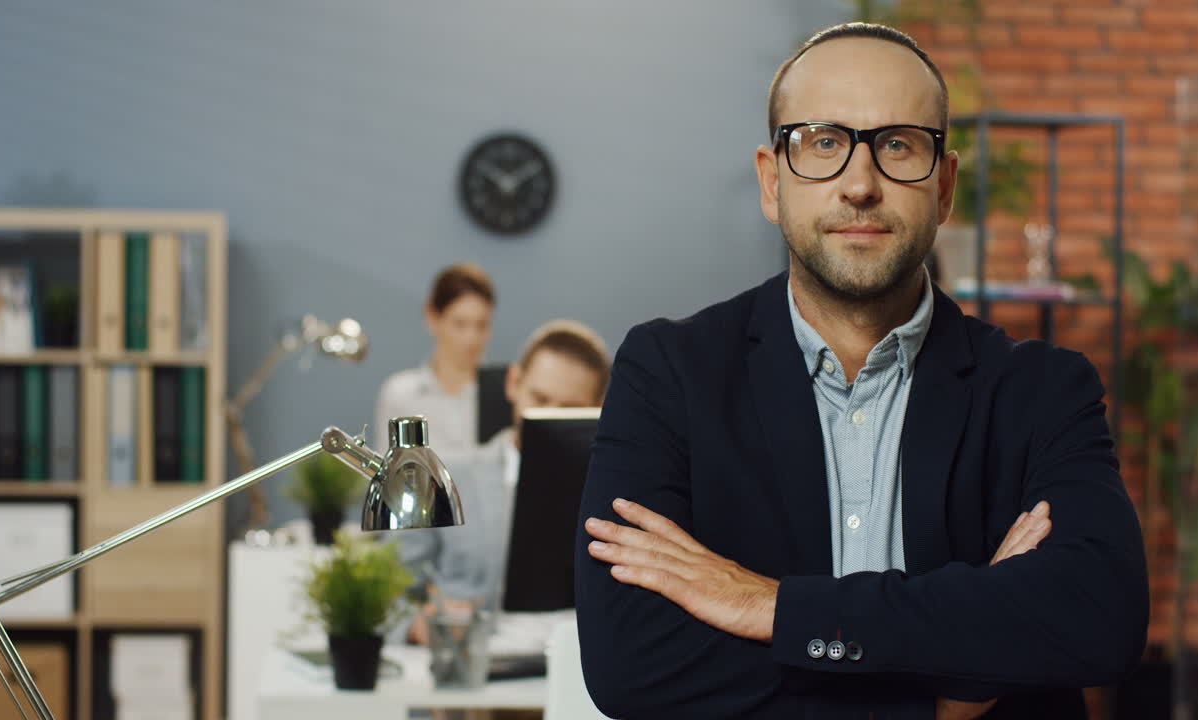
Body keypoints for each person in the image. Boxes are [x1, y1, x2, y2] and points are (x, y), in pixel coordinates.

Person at [576, 22, 1148, 720]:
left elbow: (1098, 619)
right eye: (823, 142)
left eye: (898, 145)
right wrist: (941, 697)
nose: (859, 183)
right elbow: (630, 664)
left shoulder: (1042, 389)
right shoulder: (669, 373)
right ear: (770, 180)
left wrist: (773, 605)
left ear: (943, 187)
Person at [400, 319, 611, 646]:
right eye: (540, 399)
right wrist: (422, 624)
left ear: (598, 409)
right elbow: (385, 595)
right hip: (472, 667)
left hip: (576, 666)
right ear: (514, 383)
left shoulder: (613, 496)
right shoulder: (440, 478)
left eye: (568, 408)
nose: (546, 418)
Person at [374, 263, 495, 456]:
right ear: (432, 317)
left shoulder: (505, 393)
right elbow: (390, 474)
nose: (471, 338)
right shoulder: (399, 394)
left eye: (481, 325)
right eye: (460, 324)